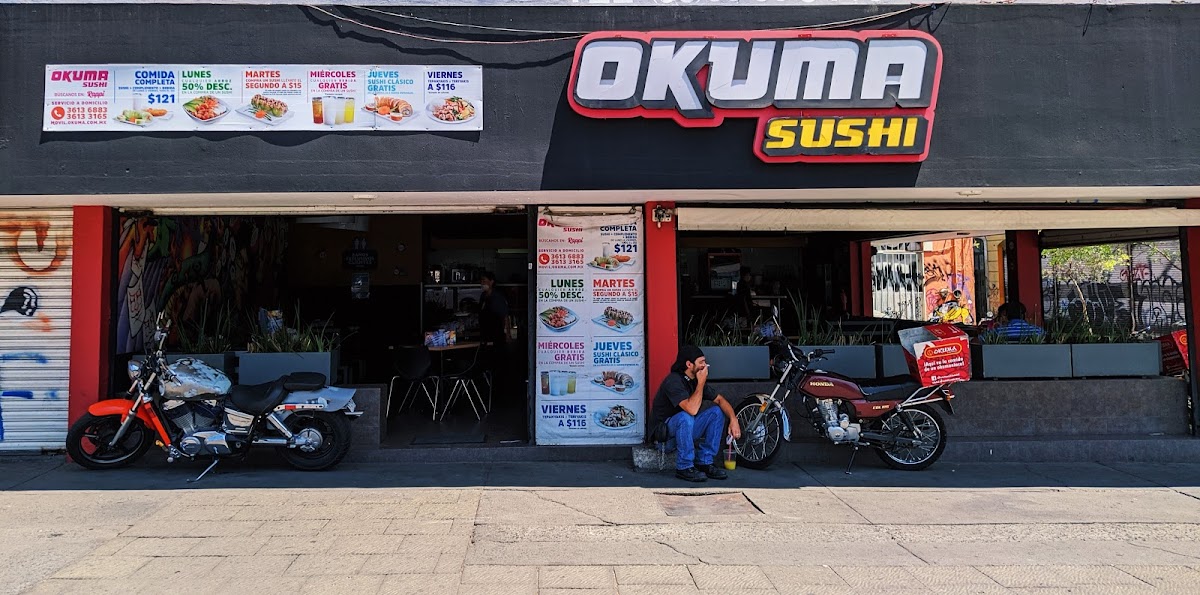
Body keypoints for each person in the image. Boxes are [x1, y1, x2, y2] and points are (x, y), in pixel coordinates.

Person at [650, 345, 742, 483]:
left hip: (684, 433)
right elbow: (691, 409)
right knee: (685, 416)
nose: (705, 366)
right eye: (701, 362)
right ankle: (684, 466)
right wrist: (701, 383)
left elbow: (720, 400)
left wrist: (733, 419)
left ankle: (704, 461)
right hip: (665, 440)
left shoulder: (695, 381)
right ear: (689, 364)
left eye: (705, 361)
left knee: (717, 412)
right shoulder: (673, 381)